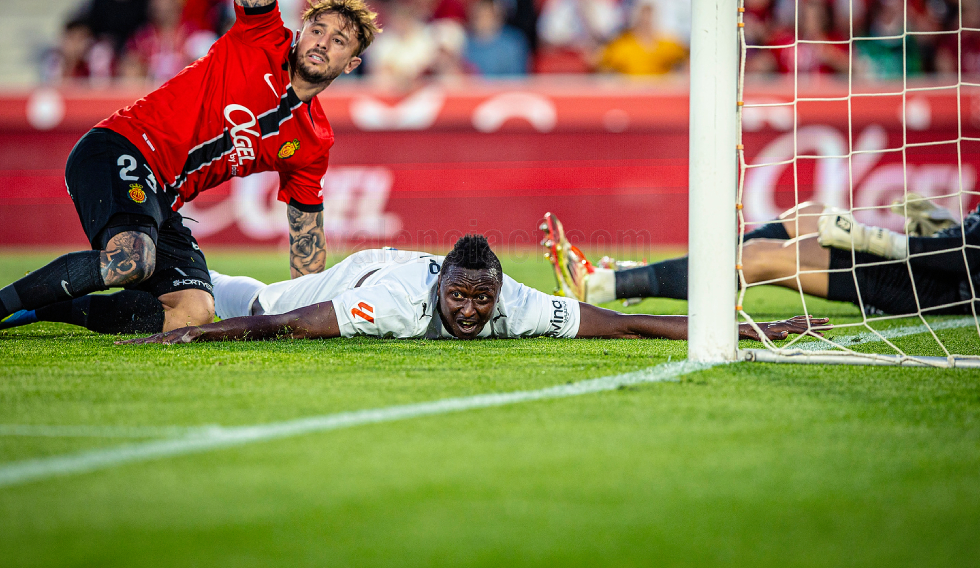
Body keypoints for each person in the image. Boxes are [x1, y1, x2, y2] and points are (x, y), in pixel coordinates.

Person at [0, 0, 380, 336]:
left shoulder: (312, 141)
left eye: (339, 41)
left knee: (192, 311)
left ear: (351, 65)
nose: (322, 43)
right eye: (318, 30)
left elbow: (306, 236)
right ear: (301, 31)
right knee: (131, 258)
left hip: (162, 196)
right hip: (119, 147)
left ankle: (35, 313)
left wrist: (306, 310)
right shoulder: (260, 34)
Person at [117, 235, 825, 345]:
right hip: (291, 294)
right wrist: (202, 332)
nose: (468, 310)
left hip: (376, 267)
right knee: (169, 304)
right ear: (444, 286)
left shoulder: (512, 301)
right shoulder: (400, 300)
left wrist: (745, 330)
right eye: (459, 298)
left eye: (479, 301)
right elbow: (293, 323)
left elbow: (624, 324)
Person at [546, 197, 979, 317]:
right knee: (808, 213)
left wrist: (876, 239)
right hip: (931, 268)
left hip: (939, 290)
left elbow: (967, 257)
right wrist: (946, 226)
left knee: (757, 259)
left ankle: (604, 286)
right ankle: (651, 277)